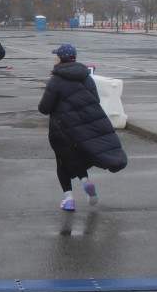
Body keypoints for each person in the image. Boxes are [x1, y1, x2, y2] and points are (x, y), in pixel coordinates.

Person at [38, 44, 127, 211]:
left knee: (62, 161)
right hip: (82, 129)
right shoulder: (86, 77)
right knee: (76, 157)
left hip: (62, 128)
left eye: (57, 56)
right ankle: (86, 182)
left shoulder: (56, 80)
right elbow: (95, 101)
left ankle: (69, 199)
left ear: (60, 58)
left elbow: (44, 107)